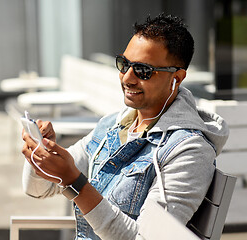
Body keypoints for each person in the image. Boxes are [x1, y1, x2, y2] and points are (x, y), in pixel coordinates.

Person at [21, 13, 229, 240]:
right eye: (124, 64)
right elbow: (38, 190)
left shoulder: (189, 150)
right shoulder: (113, 125)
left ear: (176, 78)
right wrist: (39, 155)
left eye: (143, 71)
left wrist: (76, 184)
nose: (127, 78)